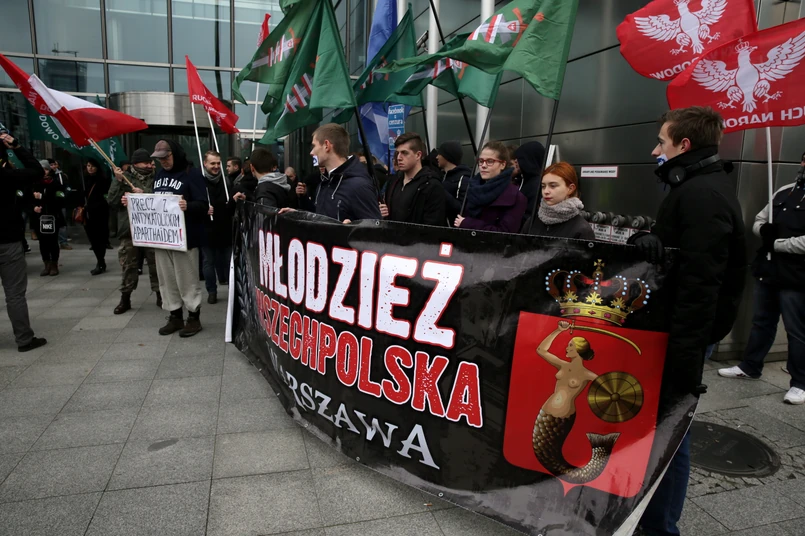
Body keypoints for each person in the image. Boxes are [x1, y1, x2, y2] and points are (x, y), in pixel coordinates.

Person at [629, 107, 747, 536]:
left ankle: (661, 529)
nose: (654, 150)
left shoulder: (702, 195)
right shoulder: (694, 188)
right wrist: (651, 240)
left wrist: (684, 358)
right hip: (680, 332)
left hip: (685, 338)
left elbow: (701, 285)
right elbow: (683, 254)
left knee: (671, 436)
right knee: (664, 432)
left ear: (684, 145)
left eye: (661, 141)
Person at [718, 156, 805, 404]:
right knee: (761, 322)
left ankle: (800, 383)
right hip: (768, 269)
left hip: (797, 277)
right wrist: (763, 231)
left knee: (796, 330)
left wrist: (777, 244)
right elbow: (759, 220)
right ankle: (750, 366)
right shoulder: (784, 191)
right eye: (803, 160)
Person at [123, 140, 208, 337]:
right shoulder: (160, 175)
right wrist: (138, 199)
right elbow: (157, 202)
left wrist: (188, 206)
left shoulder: (192, 174)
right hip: (163, 239)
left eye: (166, 157)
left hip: (186, 238)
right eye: (159, 159)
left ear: (175, 154)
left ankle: (193, 317)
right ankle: (175, 315)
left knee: (187, 279)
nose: (163, 162)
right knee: (167, 279)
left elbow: (203, 205)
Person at [0, 132, 47, 352]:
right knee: (15, 294)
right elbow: (37, 170)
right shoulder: (8, 176)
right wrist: (17, 147)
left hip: (9, 240)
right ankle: (24, 339)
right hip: (8, 241)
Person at [285, 124, 381, 222]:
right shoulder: (325, 182)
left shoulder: (359, 186)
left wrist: (351, 229)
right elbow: (321, 217)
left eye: (314, 146)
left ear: (326, 145)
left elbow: (374, 228)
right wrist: (298, 215)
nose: (311, 152)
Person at [108, 148, 160, 314]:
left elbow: (163, 198)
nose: (150, 165)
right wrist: (118, 181)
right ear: (136, 163)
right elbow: (112, 200)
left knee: (156, 264)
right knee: (128, 265)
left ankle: (160, 294)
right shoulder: (124, 177)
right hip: (129, 230)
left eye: (151, 162)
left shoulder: (157, 177)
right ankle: (125, 298)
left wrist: (145, 194)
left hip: (152, 229)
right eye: (146, 163)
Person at [453, 142, 526, 233]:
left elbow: (505, 234)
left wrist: (468, 224)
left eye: (490, 161)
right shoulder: (473, 188)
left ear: (503, 164)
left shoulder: (515, 197)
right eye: (481, 161)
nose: (483, 165)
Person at [381, 133, 445, 226]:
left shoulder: (431, 186)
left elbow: (433, 226)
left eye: (404, 153)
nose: (399, 158)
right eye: (397, 153)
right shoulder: (393, 182)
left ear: (418, 155)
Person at [523, 162, 594, 240]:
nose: (546, 191)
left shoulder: (582, 230)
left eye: (553, 186)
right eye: (543, 186)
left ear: (570, 189)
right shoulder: (532, 222)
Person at [200, 150, 234, 305]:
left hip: (225, 228)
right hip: (207, 228)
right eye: (212, 163)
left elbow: (230, 205)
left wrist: (234, 200)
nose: (216, 166)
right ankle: (211, 292)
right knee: (208, 262)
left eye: (218, 163)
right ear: (205, 164)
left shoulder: (226, 181)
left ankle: (232, 291)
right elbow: (193, 204)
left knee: (228, 262)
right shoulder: (200, 182)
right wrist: (204, 209)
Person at [32, 161, 65, 276]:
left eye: (45, 169)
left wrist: (42, 197)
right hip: (39, 217)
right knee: (42, 242)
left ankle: (54, 264)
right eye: (41, 169)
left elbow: (59, 199)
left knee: (53, 241)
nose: (44, 172)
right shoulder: (35, 183)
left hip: (53, 216)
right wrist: (34, 207)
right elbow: (28, 199)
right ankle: (46, 264)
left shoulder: (55, 183)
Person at [82, 158, 111, 275]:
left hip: (100, 213)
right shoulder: (84, 179)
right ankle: (100, 260)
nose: (90, 168)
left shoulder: (103, 180)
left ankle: (100, 262)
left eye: (92, 166)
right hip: (87, 213)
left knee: (100, 238)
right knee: (92, 239)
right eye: (88, 166)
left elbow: (106, 196)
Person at [436, 140, 472, 222]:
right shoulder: (443, 177)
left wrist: (440, 190)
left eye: (439, 154)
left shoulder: (464, 178)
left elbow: (462, 209)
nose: (437, 157)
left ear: (447, 156)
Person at [513, 141, 547, 224]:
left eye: (520, 158)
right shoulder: (523, 180)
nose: (516, 161)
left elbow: (530, 215)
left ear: (529, 160)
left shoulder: (537, 185)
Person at [48, 159, 72, 250]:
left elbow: (68, 187)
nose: (53, 166)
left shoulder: (62, 175)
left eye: (55, 164)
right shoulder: (45, 176)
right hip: (49, 204)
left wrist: (64, 194)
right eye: (51, 165)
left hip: (61, 204)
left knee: (62, 223)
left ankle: (63, 242)